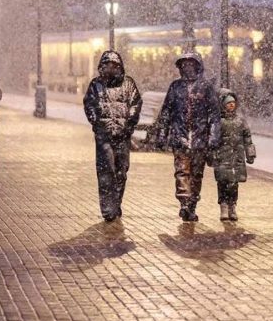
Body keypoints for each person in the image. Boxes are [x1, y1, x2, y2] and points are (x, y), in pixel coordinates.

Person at [150, 51, 221, 222]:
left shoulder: (205, 87)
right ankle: (184, 202)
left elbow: (214, 115)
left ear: (197, 66)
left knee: (196, 174)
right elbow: (166, 112)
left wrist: (213, 138)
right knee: (182, 172)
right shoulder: (175, 87)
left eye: (191, 64)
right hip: (180, 138)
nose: (187, 68)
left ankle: (192, 204)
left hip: (200, 140)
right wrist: (161, 134)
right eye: (184, 65)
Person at [83, 50, 144, 222]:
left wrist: (129, 122)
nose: (110, 68)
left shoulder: (128, 84)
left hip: (122, 136)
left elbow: (135, 103)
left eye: (113, 65)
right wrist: (97, 122)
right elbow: (89, 104)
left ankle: (116, 202)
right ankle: (108, 208)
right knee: (105, 172)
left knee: (121, 171)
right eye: (107, 64)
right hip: (104, 136)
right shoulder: (96, 85)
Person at [211, 88, 256, 222]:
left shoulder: (240, 121)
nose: (231, 105)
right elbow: (213, 140)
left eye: (233, 103)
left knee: (233, 184)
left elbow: (247, 138)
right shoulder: (218, 122)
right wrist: (212, 155)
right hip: (222, 158)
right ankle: (223, 206)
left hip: (236, 158)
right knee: (223, 183)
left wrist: (250, 154)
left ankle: (232, 206)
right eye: (228, 103)